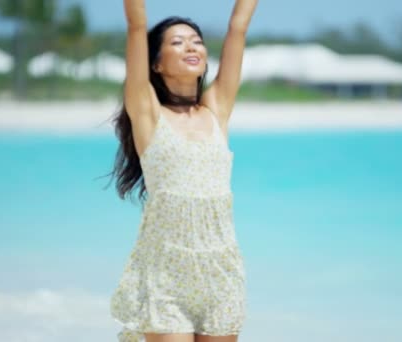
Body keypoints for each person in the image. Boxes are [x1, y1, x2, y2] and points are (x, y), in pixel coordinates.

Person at [107, 0, 258, 341]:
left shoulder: (216, 109)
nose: (191, 46)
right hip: (166, 271)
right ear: (156, 64)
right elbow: (135, 25)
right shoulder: (147, 112)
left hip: (221, 268)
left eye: (196, 41)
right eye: (177, 42)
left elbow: (238, 27)